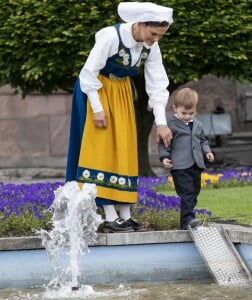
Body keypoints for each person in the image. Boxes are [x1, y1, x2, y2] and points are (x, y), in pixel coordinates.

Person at [66, 2, 173, 233]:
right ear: (141, 23)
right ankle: (109, 216)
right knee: (101, 150)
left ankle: (124, 215)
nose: (156, 39)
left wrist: (161, 123)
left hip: (122, 92)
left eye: (160, 36)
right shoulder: (110, 36)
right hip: (96, 90)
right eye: (153, 33)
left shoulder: (150, 46)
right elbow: (88, 72)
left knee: (124, 148)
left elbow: (157, 84)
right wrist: (97, 108)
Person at [158, 88, 215, 230]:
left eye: (191, 113)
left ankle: (186, 221)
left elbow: (202, 140)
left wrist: (207, 152)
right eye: (183, 113)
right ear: (175, 108)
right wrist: (164, 157)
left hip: (195, 164)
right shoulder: (170, 125)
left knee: (194, 193)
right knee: (187, 193)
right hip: (179, 166)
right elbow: (163, 144)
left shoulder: (198, 124)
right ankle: (188, 219)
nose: (187, 116)